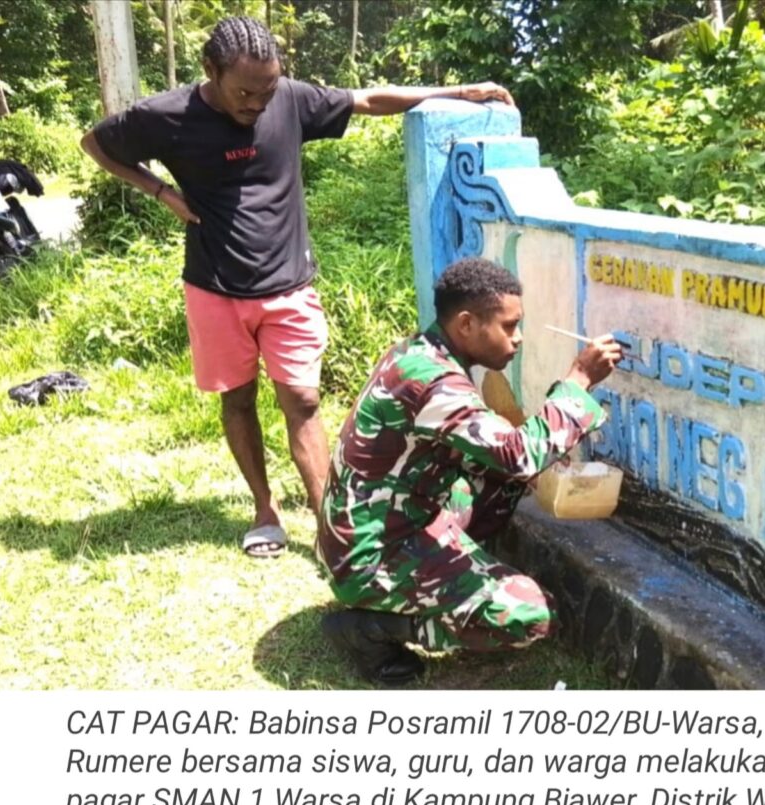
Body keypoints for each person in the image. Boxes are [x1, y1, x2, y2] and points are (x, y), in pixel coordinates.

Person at [80, 15, 514, 557]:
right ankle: (265, 509)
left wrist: (457, 92)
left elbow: (367, 99)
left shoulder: (287, 99)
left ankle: (329, 523)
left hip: (289, 285)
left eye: (266, 89)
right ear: (210, 70)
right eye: (244, 92)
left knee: (304, 400)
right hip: (215, 287)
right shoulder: (167, 115)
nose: (257, 103)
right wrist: (160, 192)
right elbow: (95, 143)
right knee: (238, 400)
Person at [317, 257, 622, 684]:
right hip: (368, 556)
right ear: (466, 324)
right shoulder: (433, 383)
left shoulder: (422, 354)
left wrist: (540, 455)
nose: (518, 338)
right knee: (530, 615)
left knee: (503, 479)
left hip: (390, 522)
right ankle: (373, 628)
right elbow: (518, 454)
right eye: (509, 326)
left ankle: (450, 581)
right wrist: (580, 379)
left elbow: (500, 455)